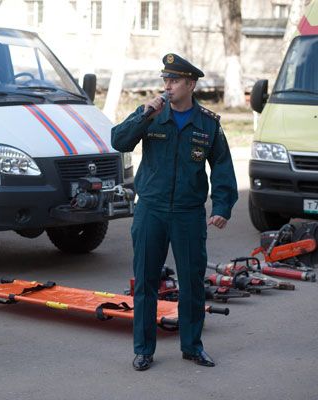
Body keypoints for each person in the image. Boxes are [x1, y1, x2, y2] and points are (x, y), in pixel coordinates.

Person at [111, 53, 238, 371]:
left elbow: (222, 167)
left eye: (174, 80)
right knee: (145, 282)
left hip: (188, 213)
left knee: (192, 283)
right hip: (151, 210)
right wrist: (144, 115)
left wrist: (222, 206)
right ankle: (143, 349)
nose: (167, 86)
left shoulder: (208, 124)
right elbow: (119, 141)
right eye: (165, 79)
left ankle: (192, 346)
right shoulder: (151, 114)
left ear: (190, 84)